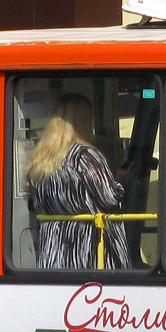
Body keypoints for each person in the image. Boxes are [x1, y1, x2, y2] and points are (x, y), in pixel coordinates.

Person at [27, 93, 131, 270]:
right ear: (82, 121)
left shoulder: (41, 157)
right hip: (86, 249)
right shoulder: (84, 154)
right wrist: (119, 180)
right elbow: (109, 197)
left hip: (53, 249)